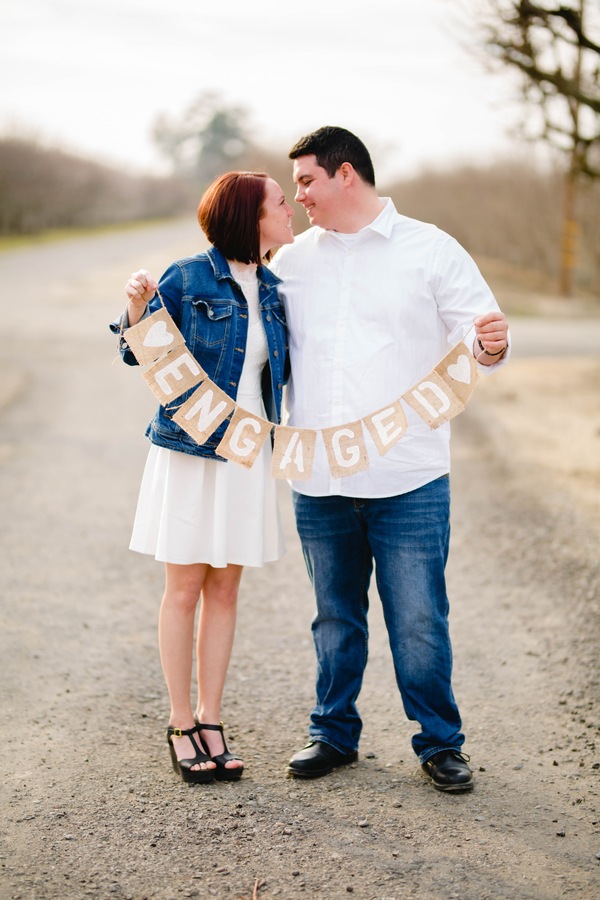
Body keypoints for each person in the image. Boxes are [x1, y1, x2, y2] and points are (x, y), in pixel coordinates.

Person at [269, 126, 510, 792]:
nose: (300, 197)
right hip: (318, 474)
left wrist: (490, 345)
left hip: (410, 476)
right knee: (334, 616)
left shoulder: (431, 250)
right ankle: (332, 733)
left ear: (346, 175)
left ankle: (439, 743)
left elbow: (481, 338)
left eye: (307, 182)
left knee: (419, 618)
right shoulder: (291, 261)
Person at [111, 172, 294, 784]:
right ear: (250, 216)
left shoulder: (274, 287)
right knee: (184, 588)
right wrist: (137, 309)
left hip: (247, 454)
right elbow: (139, 353)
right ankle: (181, 720)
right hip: (191, 451)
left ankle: (213, 718)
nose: (290, 210)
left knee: (226, 590)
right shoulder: (187, 277)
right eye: (280, 203)